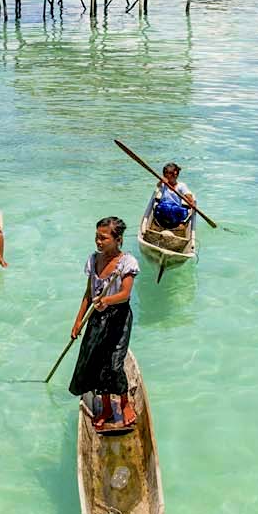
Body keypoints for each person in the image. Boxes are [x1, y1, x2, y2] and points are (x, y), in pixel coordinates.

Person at [70, 217, 139, 432]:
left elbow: (125, 294)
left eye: (103, 238)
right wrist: (78, 320)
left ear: (117, 239)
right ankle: (107, 407)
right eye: (96, 237)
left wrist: (106, 301)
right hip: (97, 317)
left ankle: (125, 403)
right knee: (97, 362)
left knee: (115, 363)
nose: (98, 242)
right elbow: (88, 294)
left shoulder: (127, 262)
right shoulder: (93, 260)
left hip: (118, 316)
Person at [150, 163, 196, 231]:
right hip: (163, 211)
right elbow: (158, 186)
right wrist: (161, 181)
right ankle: (160, 224)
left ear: (175, 175)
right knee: (161, 207)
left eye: (168, 173)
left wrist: (191, 202)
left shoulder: (181, 186)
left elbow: (188, 195)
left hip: (175, 212)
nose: (166, 176)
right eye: (165, 173)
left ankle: (179, 224)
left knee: (182, 211)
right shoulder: (164, 184)